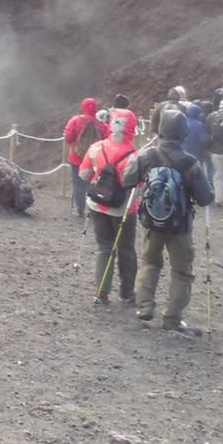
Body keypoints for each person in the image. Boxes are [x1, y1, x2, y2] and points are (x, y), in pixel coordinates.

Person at [118, 109, 215, 331]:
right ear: (183, 133)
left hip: (152, 221)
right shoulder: (190, 163)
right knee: (182, 271)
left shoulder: (146, 156)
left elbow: (126, 180)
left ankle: (144, 307)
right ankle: (172, 318)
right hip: (180, 226)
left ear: (161, 130)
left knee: (150, 262)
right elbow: (205, 198)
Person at [79, 106, 139, 306]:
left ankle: (101, 292)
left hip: (97, 205)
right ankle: (127, 293)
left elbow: (83, 174)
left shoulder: (96, 148)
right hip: (123, 209)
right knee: (126, 249)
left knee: (104, 247)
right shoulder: (134, 155)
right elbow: (140, 184)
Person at [64, 98, 108, 218]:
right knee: (93, 183)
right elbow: (107, 141)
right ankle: (92, 209)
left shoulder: (75, 121)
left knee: (78, 183)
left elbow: (68, 137)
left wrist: (74, 146)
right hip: (95, 160)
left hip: (76, 158)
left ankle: (80, 209)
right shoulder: (101, 125)